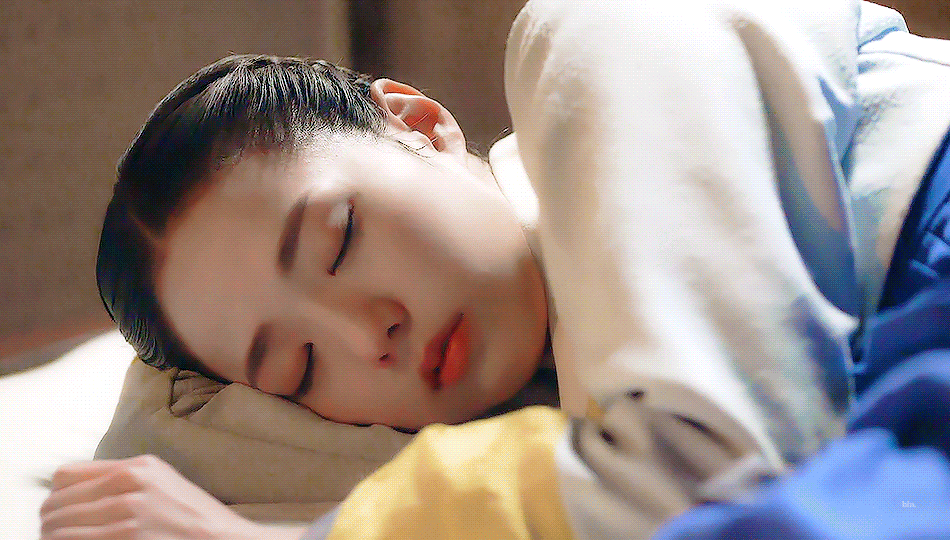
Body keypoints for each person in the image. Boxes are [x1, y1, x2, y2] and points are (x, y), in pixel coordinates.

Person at [41, 0, 950, 539]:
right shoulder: (546, 402)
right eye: (299, 368)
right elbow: (151, 456)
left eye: (340, 239)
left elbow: (708, 469)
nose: (368, 335)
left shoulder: (599, 39)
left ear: (419, 125)